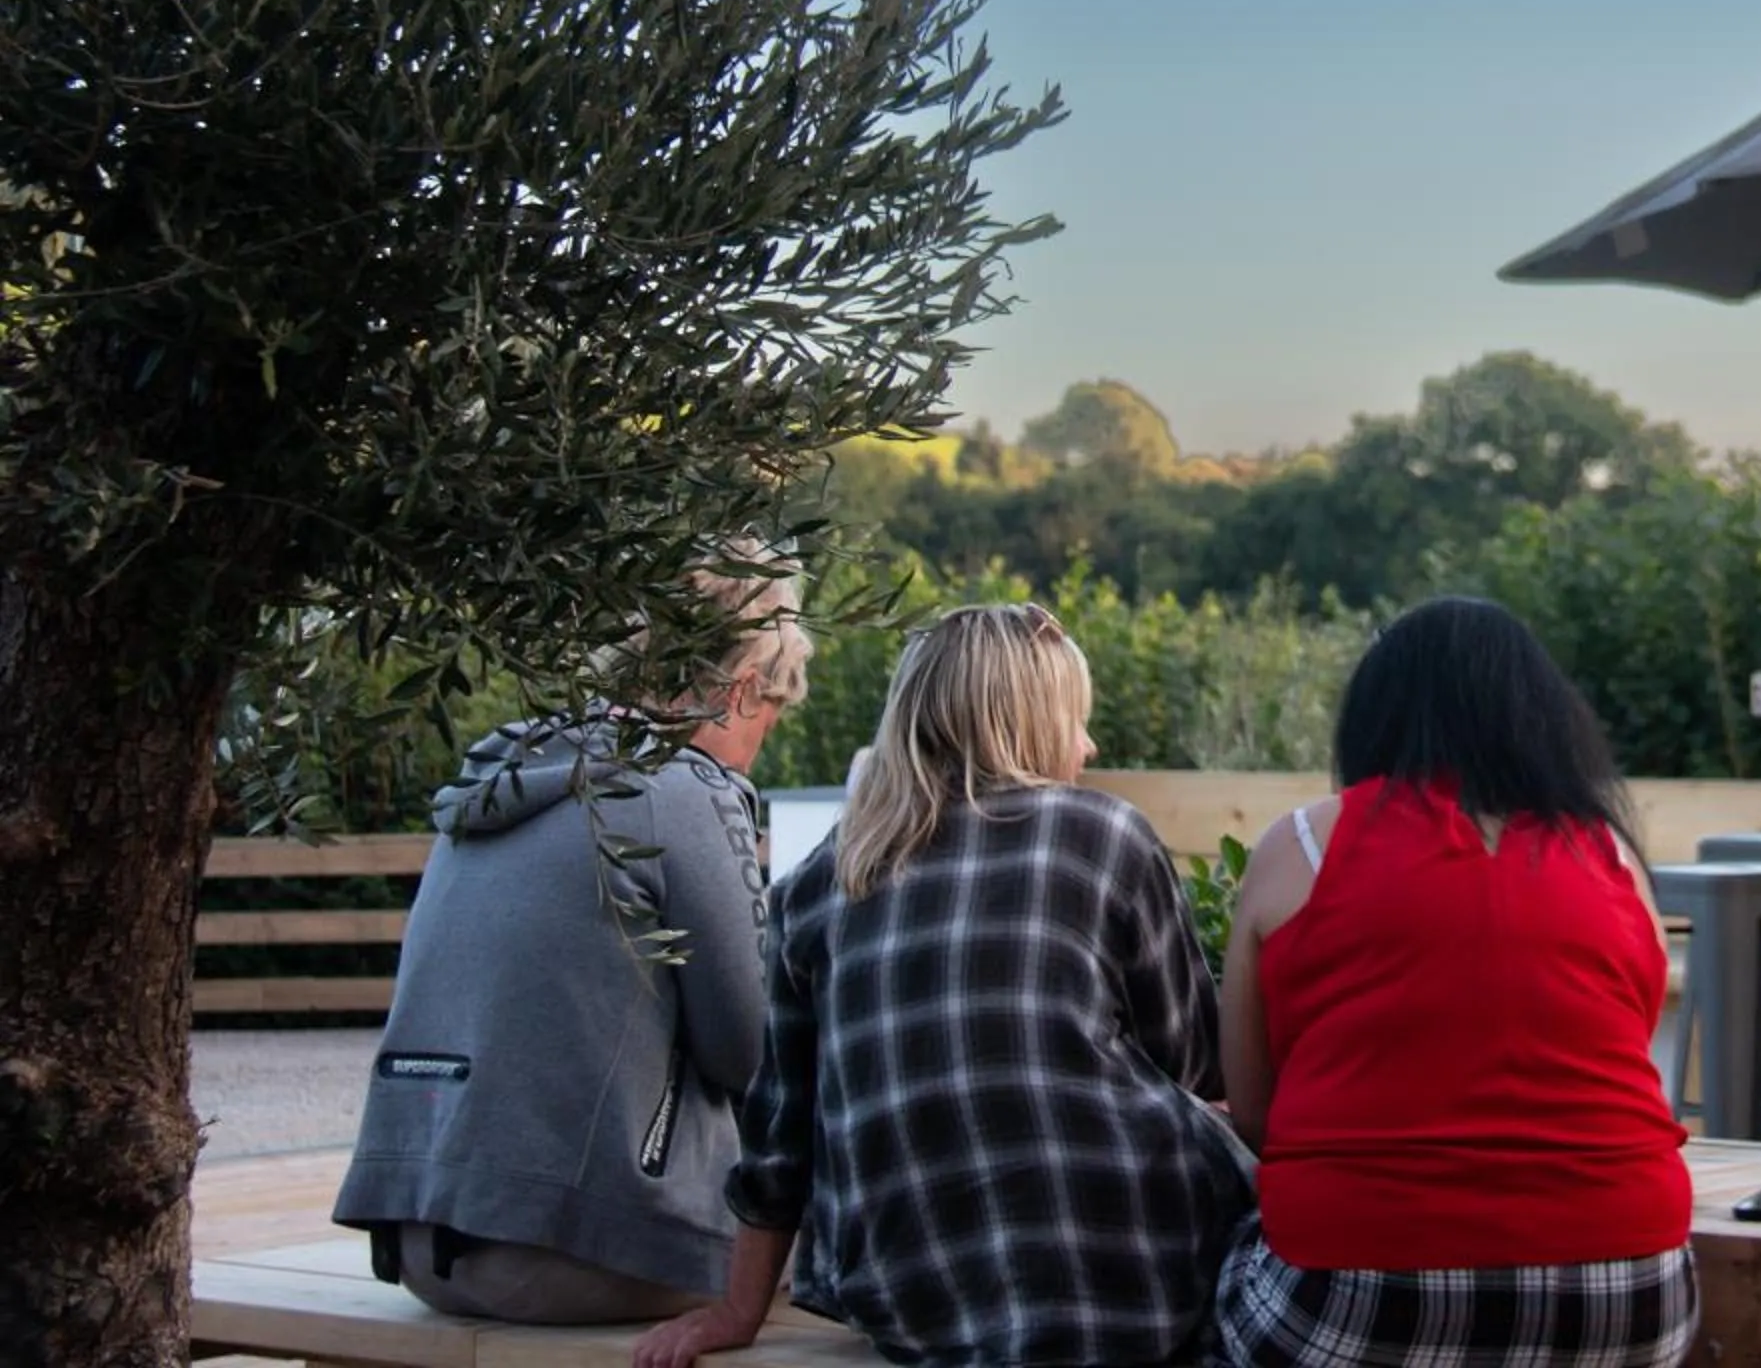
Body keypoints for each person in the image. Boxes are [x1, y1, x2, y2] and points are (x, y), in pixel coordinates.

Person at [634, 602, 1250, 1368]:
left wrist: (737, 1311)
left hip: (919, 1295)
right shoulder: (1102, 836)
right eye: (1075, 721)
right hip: (1130, 1278)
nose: (1088, 746)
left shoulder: (818, 884)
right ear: (1024, 722)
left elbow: (777, 1142)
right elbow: (1193, 1067)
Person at [1212, 597, 1699, 1368]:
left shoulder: (1301, 844)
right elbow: (1621, 1050)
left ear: (1376, 713)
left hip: (1358, 1295)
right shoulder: (1612, 856)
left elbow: (1256, 1114)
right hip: (1630, 1294)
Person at [335, 543, 810, 1322]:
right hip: (581, 1252)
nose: (761, 745)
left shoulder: (506, 774)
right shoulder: (686, 789)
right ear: (743, 690)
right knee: (839, 1246)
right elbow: (748, 1055)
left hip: (419, 1242)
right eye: (771, 713)